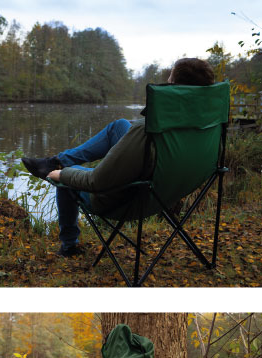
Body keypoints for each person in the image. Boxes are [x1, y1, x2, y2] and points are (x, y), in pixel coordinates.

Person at [21, 57, 216, 257]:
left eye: (170, 76)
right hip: (166, 190)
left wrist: (62, 175)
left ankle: (69, 245)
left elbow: (97, 181)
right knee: (120, 126)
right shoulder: (209, 127)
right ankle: (56, 161)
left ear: (173, 87)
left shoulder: (148, 130)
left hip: (131, 197)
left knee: (68, 176)